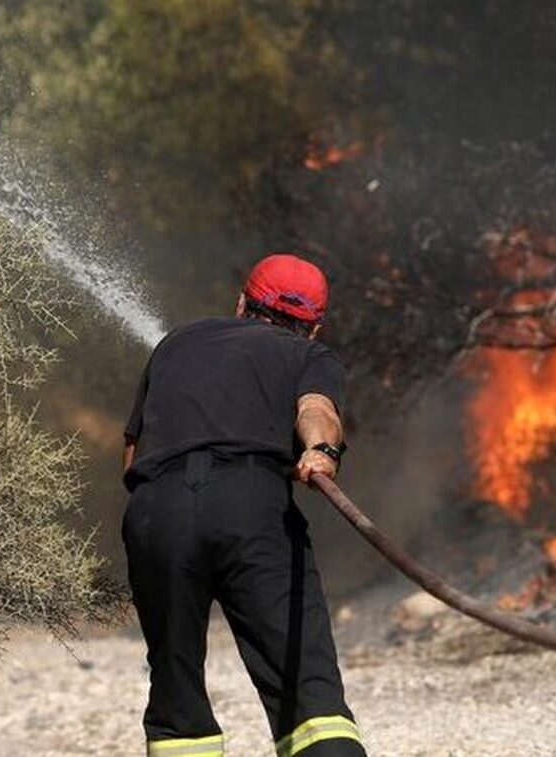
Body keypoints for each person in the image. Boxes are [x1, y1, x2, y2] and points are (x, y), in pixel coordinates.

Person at [121, 253, 365, 757]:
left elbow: (131, 456)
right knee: (309, 693)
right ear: (313, 328)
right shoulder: (310, 356)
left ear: (241, 303)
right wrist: (321, 450)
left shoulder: (175, 342)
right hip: (250, 506)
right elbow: (316, 408)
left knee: (176, 695)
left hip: (156, 511)